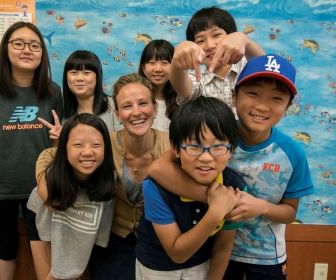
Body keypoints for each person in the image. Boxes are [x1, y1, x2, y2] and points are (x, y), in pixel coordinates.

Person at [148, 54, 314, 280]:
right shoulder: (215, 133)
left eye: (276, 98)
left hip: (266, 256)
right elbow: (157, 169)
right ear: (235, 96)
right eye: (253, 93)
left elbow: (290, 212)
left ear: (287, 107)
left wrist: (260, 207)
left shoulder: (293, 153)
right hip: (211, 249)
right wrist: (216, 201)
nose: (262, 106)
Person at [0, 21, 63, 280]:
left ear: (42, 53)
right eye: (19, 43)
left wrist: (59, 139)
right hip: (1, 189)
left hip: (41, 187)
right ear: (6, 50)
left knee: (41, 245)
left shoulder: (52, 91)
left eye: (34, 45)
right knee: (7, 245)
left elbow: (56, 146)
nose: (27, 50)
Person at [136, 96, 246, 279]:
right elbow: (177, 253)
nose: (205, 157)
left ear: (231, 150)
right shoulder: (155, 188)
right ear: (176, 149)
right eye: (194, 146)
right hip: (157, 267)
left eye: (218, 146)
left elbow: (223, 247)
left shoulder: (234, 187)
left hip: (202, 263)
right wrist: (215, 213)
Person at [89, 73, 170, 280]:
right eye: (126, 106)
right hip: (112, 242)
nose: (136, 112)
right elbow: (50, 158)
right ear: (117, 113)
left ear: (155, 108)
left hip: (160, 241)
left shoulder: (172, 144)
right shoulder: (102, 143)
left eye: (143, 103)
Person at [28, 113, 116, 280]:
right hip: (44, 222)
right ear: (64, 148)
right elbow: (46, 230)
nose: (88, 152)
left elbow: (95, 239)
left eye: (96, 145)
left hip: (84, 231)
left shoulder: (108, 181)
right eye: (78, 144)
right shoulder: (52, 179)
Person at [170, 6, 264, 111]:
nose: (209, 46)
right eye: (200, 41)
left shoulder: (247, 67)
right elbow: (181, 86)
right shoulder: (198, 80)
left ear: (231, 36)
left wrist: (245, 40)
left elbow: (263, 65)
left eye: (216, 35)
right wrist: (176, 62)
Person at [39, 50, 122, 141]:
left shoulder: (113, 105)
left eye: (86, 73)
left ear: (98, 77)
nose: (79, 78)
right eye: (73, 73)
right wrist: (58, 141)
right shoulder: (61, 111)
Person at [138, 39, 178, 131]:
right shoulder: (135, 100)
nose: (158, 69)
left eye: (165, 63)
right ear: (143, 68)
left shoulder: (182, 100)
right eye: (152, 63)